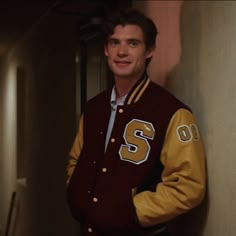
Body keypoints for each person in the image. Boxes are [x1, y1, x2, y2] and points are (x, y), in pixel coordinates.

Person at [66, 8, 206, 236]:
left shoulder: (172, 112)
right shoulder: (94, 108)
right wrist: (76, 192)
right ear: (105, 49)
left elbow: (189, 185)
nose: (122, 52)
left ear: (149, 50)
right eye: (114, 43)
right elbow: (76, 158)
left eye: (133, 43)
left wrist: (133, 210)